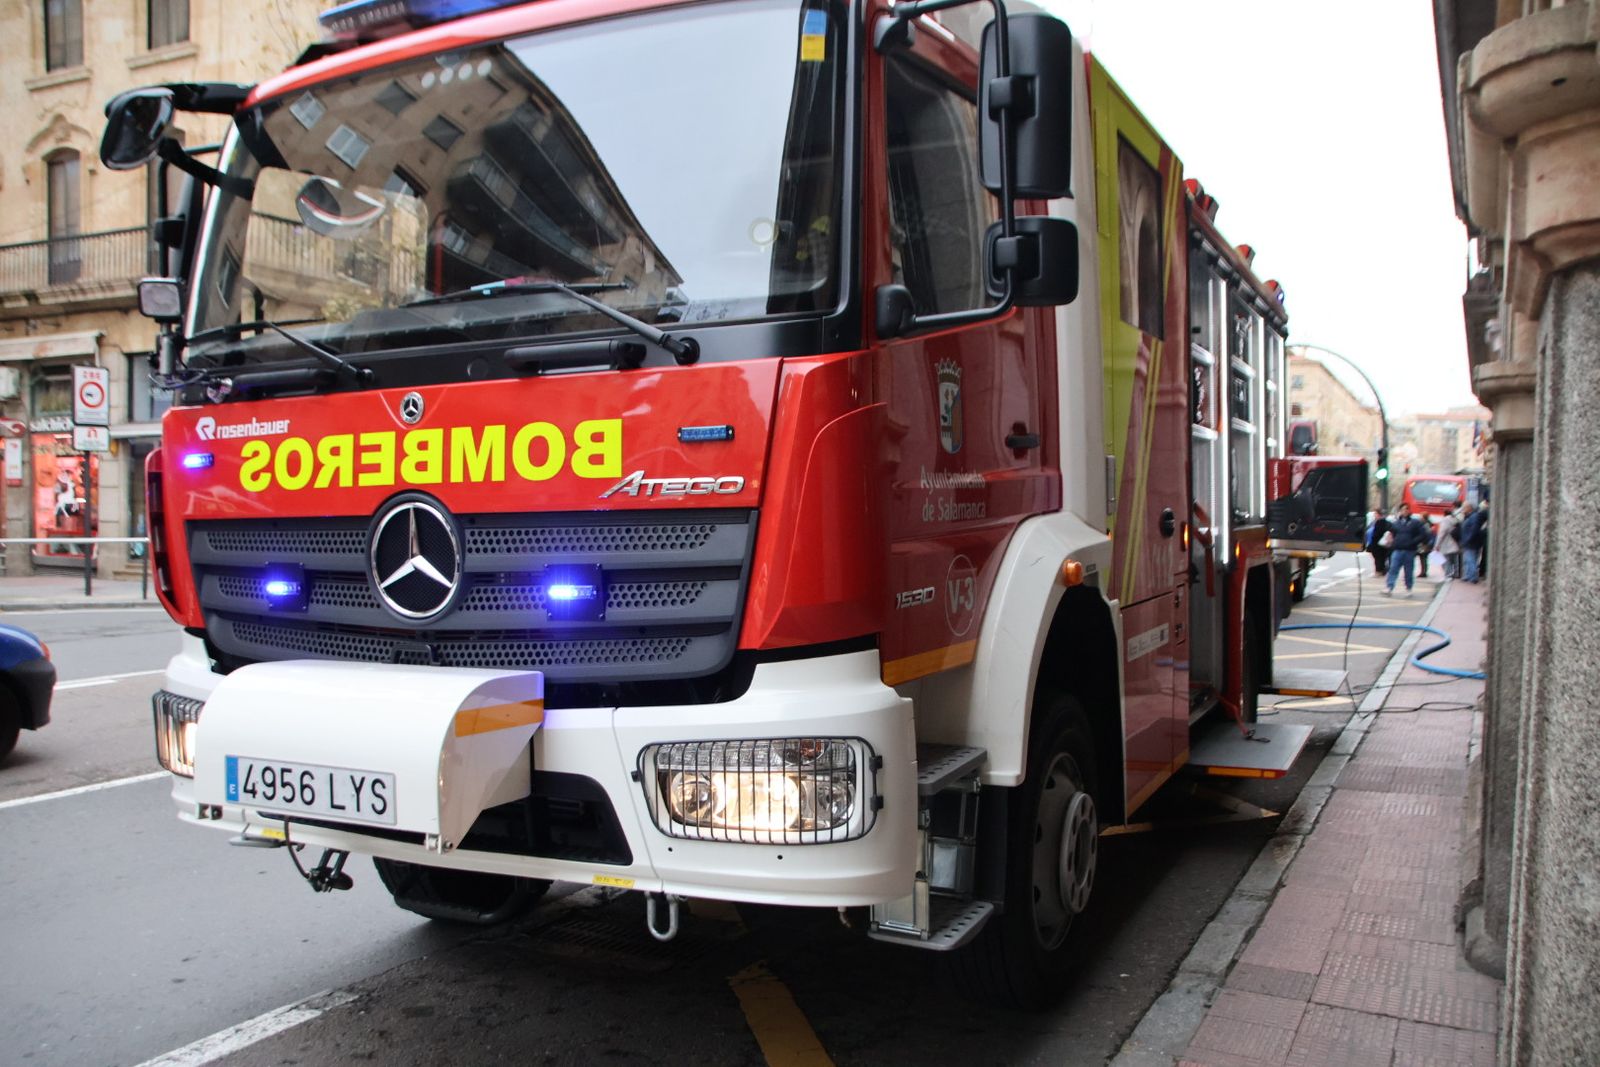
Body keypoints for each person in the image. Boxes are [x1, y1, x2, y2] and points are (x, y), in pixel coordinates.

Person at [1384, 503, 1430, 597]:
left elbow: (1423, 534)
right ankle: (1389, 587)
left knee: (1408, 570)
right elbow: (1391, 533)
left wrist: (1413, 542)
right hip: (1397, 549)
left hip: (1409, 550)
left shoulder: (1415, 523)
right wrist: (1391, 540)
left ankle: (1409, 588)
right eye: (1403, 509)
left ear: (1409, 510)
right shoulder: (1396, 523)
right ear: (1400, 511)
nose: (1405, 511)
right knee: (1393, 569)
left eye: (1407, 509)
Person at [1460, 501, 1487, 583]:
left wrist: (1468, 539)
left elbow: (1474, 530)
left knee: (1471, 559)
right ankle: (1468, 575)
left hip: (1471, 543)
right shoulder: (1469, 516)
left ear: (1469, 508)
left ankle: (1473, 577)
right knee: (1469, 559)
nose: (1463, 509)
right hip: (1470, 542)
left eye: (1464, 507)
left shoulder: (1473, 517)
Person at [1435, 507, 1461, 579]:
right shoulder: (1456, 520)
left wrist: (1437, 545)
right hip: (1456, 544)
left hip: (1446, 544)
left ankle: (1448, 574)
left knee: (1446, 560)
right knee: (1455, 560)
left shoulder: (1445, 520)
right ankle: (1456, 573)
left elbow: (1441, 533)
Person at [1367, 509, 1392, 577]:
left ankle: (1379, 571)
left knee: (1378, 559)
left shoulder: (1379, 522)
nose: (1374, 515)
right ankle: (1382, 570)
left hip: (1377, 544)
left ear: (1378, 514)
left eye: (1375, 514)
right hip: (1384, 544)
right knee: (1382, 558)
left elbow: (1376, 534)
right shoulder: (1387, 522)